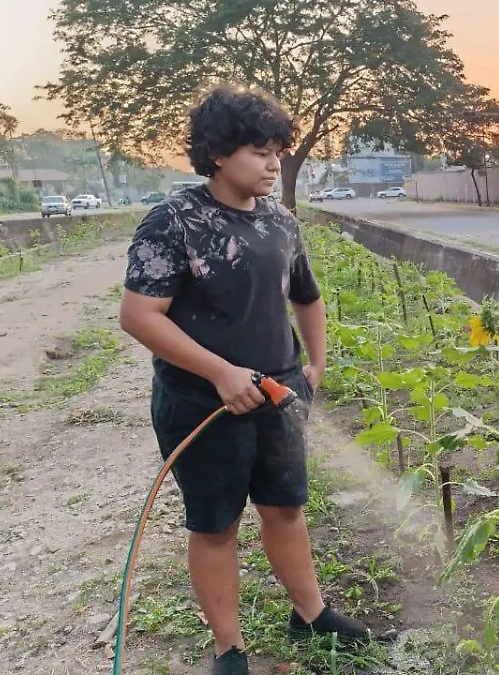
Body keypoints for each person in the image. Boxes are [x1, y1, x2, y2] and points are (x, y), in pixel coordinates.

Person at [119, 85, 369, 675]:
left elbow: (307, 297)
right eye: (259, 151)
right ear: (217, 153)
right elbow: (139, 316)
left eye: (277, 151)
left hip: (278, 395)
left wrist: (315, 365)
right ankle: (228, 648)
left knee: (285, 508)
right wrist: (220, 373)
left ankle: (310, 614)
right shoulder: (174, 222)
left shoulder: (280, 221)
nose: (273, 163)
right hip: (202, 404)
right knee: (216, 525)